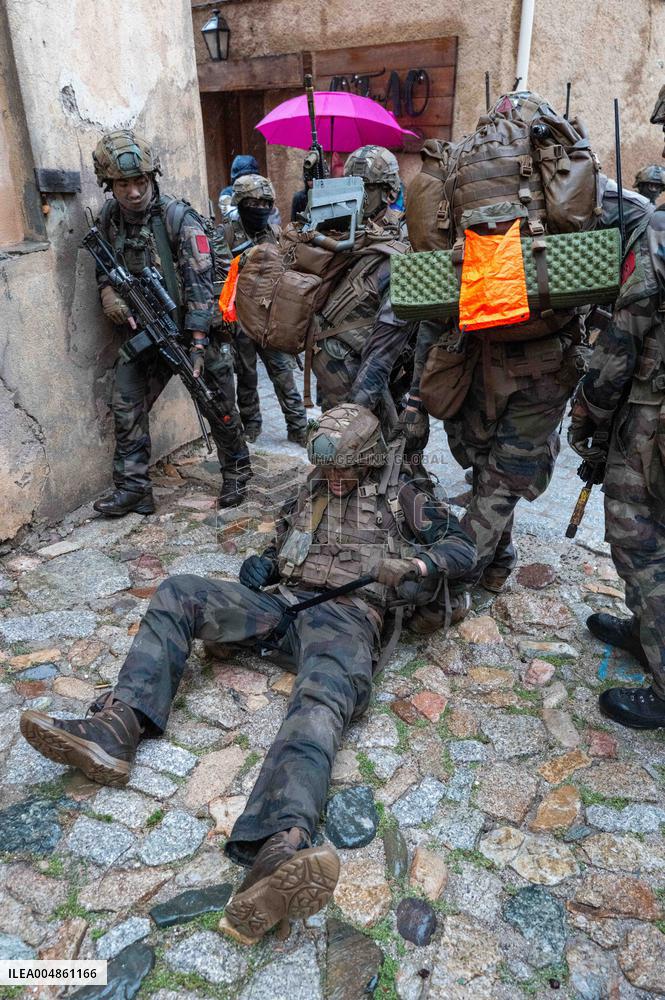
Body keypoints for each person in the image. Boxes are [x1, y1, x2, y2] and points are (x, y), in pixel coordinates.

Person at [19, 403, 476, 942]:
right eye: (325, 468)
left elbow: (465, 547)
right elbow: (283, 542)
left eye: (342, 469)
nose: (332, 477)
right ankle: (117, 728)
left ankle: (277, 849)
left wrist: (419, 565)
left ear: (369, 458)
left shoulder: (404, 495)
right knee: (180, 592)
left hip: (346, 620)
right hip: (282, 606)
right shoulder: (314, 485)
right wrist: (259, 564)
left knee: (319, 701)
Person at [90, 129, 251, 514]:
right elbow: (105, 265)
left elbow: (199, 282)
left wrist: (197, 342)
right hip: (146, 331)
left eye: (139, 181)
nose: (133, 192)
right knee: (126, 403)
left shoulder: (179, 218)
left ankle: (237, 471)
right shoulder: (111, 218)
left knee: (217, 403)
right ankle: (133, 489)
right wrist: (107, 293)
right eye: (123, 184)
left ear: (152, 178)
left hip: (195, 330)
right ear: (109, 185)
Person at [568, 217, 665, 730]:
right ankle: (650, 631)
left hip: (654, 418)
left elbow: (624, 336)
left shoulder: (659, 232)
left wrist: (592, 408)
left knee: (640, 541)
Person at [312, 146, 419, 437]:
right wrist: (358, 412)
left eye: (366, 187)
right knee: (364, 450)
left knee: (340, 439)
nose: (361, 194)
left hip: (333, 358)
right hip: (353, 368)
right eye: (358, 187)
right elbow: (382, 350)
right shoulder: (347, 235)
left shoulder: (337, 231)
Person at [223, 174, 308, 446]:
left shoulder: (274, 233)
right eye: (252, 202)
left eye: (265, 203)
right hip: (241, 318)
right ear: (240, 203)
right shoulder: (226, 233)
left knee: (283, 372)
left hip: (269, 316)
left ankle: (298, 426)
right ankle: (252, 424)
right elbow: (219, 277)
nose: (259, 208)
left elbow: (287, 272)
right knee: (246, 375)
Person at [290, 150, 329, 222]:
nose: (313, 182)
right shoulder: (299, 198)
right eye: (309, 178)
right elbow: (293, 224)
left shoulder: (331, 196)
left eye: (317, 178)